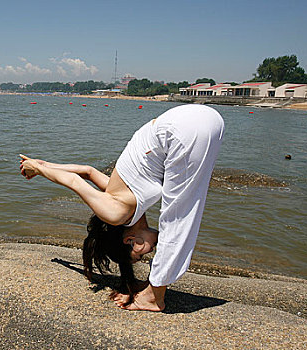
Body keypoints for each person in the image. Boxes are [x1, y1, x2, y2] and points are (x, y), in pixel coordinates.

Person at [20, 104, 224, 312]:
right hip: (199, 118)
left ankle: (154, 297)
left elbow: (74, 180)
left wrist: (38, 168)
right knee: (179, 211)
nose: (151, 251)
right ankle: (156, 287)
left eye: (141, 255)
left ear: (130, 240)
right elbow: (88, 171)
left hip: (183, 129)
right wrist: (45, 165)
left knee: (178, 217)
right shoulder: (119, 195)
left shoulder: (116, 212)